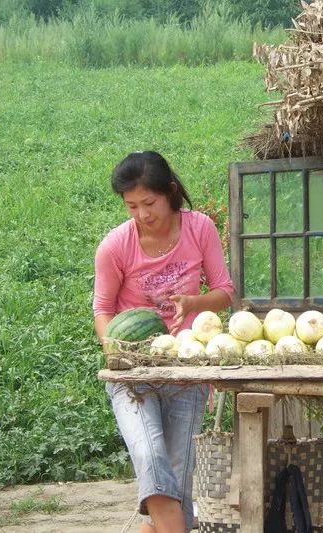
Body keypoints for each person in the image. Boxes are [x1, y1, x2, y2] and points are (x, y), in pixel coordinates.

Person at [93, 151, 233, 533]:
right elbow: (102, 309)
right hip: (133, 376)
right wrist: (113, 348)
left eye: (149, 203)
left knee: (177, 483)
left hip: (185, 372)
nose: (141, 214)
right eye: (131, 206)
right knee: (152, 459)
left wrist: (193, 302)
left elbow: (224, 291)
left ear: (170, 192)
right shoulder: (115, 246)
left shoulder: (199, 228)